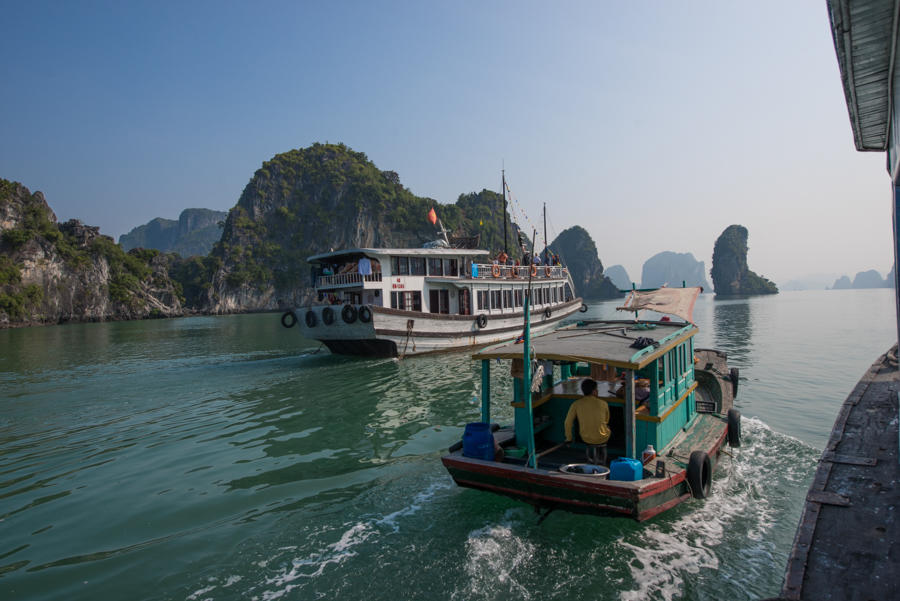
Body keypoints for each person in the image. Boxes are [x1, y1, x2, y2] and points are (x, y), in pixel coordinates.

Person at [564, 378, 611, 465]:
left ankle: (591, 458)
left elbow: (568, 422)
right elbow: (606, 420)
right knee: (607, 427)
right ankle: (601, 458)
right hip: (603, 437)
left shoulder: (576, 404)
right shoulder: (603, 403)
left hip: (586, 438)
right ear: (594, 391)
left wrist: (569, 438)